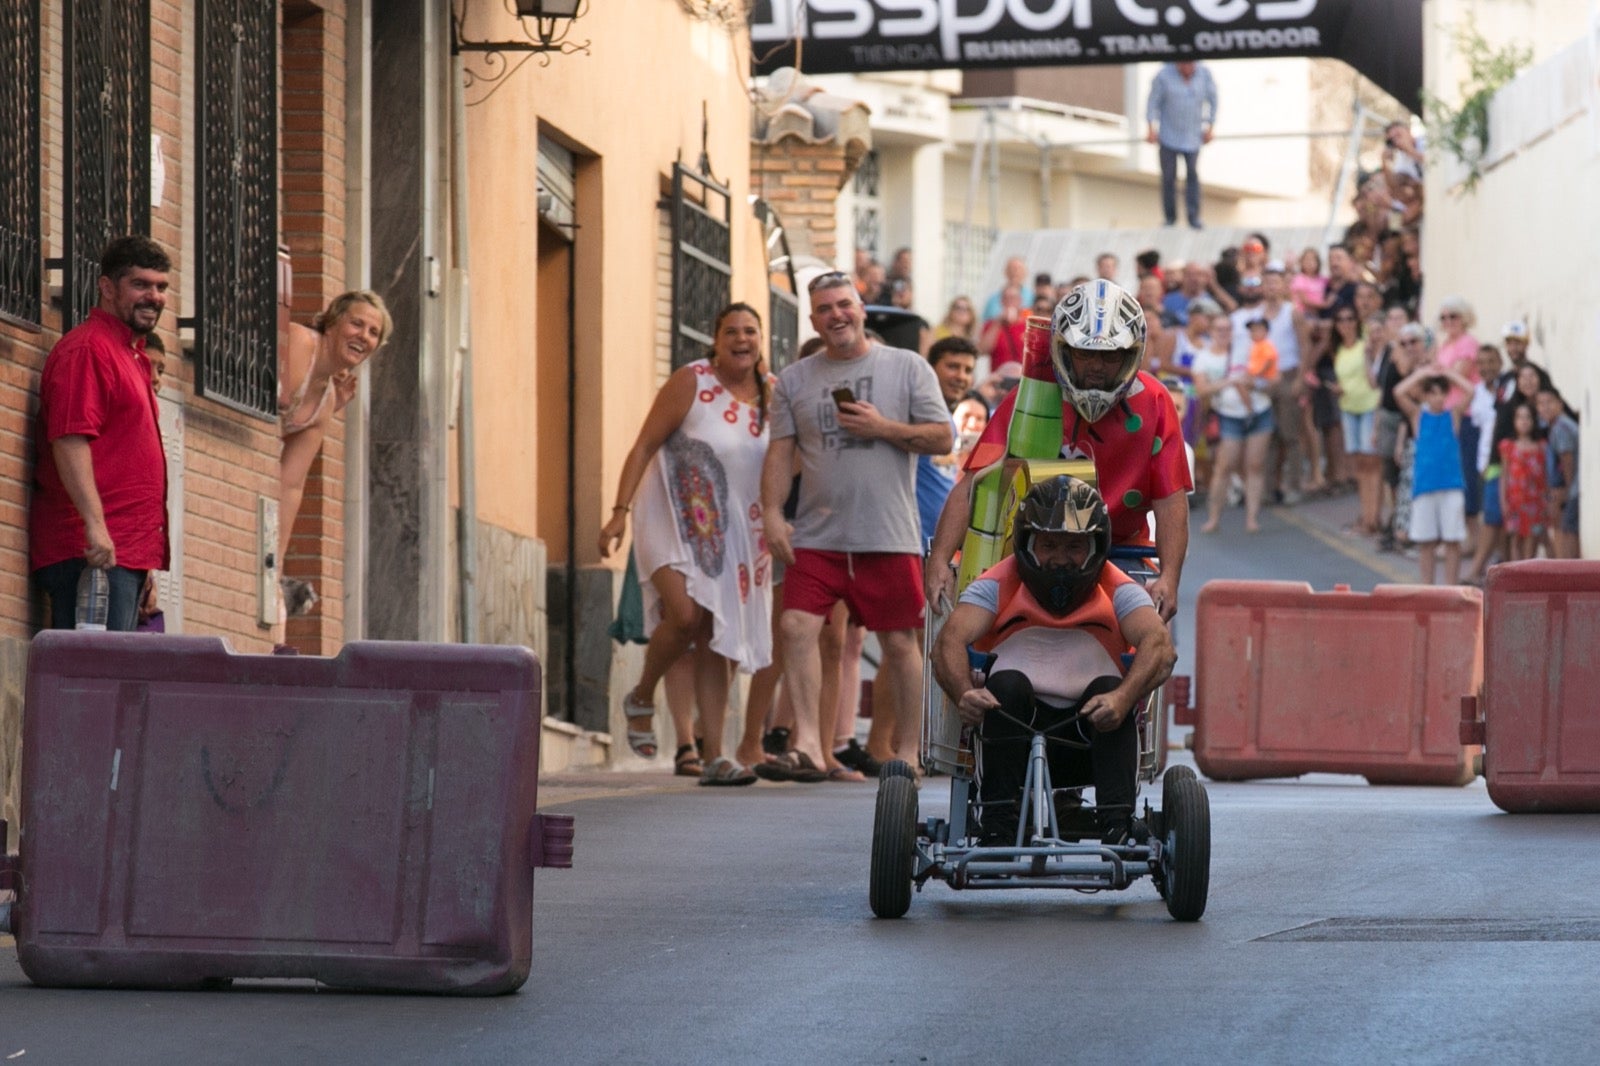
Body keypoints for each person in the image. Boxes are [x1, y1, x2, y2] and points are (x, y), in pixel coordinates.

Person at [761, 272, 952, 780]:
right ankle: (805, 741)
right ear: (813, 320)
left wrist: (883, 428)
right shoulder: (796, 379)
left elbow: (942, 438)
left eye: (844, 304)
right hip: (818, 536)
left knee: (898, 643)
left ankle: (908, 752)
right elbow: (780, 453)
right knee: (795, 626)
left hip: (887, 535)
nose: (836, 315)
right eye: (825, 309)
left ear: (862, 308)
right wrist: (774, 515)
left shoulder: (907, 368)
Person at [928, 280, 1192, 624]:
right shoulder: (1030, 396)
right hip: (1026, 556)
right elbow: (973, 483)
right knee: (959, 639)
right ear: (1064, 350)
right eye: (1085, 353)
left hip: (1118, 556)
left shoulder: (1156, 402)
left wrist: (1169, 578)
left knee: (1154, 648)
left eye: (1110, 355)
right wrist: (939, 561)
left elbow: (1171, 499)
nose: (1096, 366)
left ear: (1131, 354)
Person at [932, 476, 1175, 845]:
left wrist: (1123, 699)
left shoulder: (1118, 587)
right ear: (1028, 544)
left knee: (1112, 689)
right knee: (1006, 685)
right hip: (1013, 730)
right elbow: (949, 640)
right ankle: (999, 819)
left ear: (1095, 547)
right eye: (1048, 545)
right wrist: (964, 693)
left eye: (1074, 547)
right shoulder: (997, 583)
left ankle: (1116, 823)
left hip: (1088, 735)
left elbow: (1159, 645)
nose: (1060, 559)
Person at [598, 302, 774, 786]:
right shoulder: (690, 381)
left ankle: (715, 754)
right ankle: (641, 696)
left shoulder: (773, 394)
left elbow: (787, 461)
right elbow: (643, 445)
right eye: (731, 332)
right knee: (683, 616)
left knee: (716, 637)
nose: (742, 339)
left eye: (750, 332)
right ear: (715, 341)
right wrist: (619, 512)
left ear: (762, 339)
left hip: (739, 532)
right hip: (673, 517)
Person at [31, 235, 171, 632]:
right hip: (90, 557)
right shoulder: (89, 350)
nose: (154, 296)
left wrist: (144, 564)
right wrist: (95, 525)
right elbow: (70, 439)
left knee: (110, 686)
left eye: (161, 287)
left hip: (121, 555)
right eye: (140, 285)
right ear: (107, 287)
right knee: (92, 687)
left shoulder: (131, 354)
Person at [279, 289, 393, 612]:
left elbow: (291, 484)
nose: (364, 336)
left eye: (374, 333)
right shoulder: (301, 344)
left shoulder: (327, 400)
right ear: (331, 322)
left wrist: (275, 563)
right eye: (356, 324)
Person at [1395, 364, 1476, 584]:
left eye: (1441, 393)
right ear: (1426, 395)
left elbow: (1470, 390)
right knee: (1426, 542)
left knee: (1452, 540)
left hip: (1451, 485)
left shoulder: (1454, 415)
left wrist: (1449, 373)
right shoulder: (1418, 416)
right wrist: (1421, 374)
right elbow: (1398, 392)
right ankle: (1427, 588)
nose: (1437, 398)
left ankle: (1451, 588)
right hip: (1425, 486)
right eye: (1432, 393)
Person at [1195, 312, 1274, 533]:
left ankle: (1252, 518)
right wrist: (1229, 381)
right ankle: (1214, 518)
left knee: (1255, 465)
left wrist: (1256, 382)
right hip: (1229, 415)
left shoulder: (1248, 348)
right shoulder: (1204, 357)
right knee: (1224, 466)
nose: (1223, 334)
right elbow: (1201, 389)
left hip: (1259, 411)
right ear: (1211, 332)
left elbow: (1268, 374)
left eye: (1227, 329)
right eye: (1219, 329)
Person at [916, 337, 979, 547]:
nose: (961, 376)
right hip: (911, 543)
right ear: (931, 369)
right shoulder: (915, 413)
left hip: (937, 548)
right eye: (953, 367)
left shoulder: (947, 419)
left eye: (968, 370)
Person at [1145, 60, 1216, 229]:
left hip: (1192, 136)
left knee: (1192, 175)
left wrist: (1210, 126)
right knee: (1169, 177)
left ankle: (1193, 217)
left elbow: (1213, 101)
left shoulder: (1204, 74)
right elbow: (1152, 102)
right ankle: (1170, 218)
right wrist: (1150, 128)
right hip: (1168, 135)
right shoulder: (1163, 74)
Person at [1331, 307, 1383, 534]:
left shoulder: (1365, 345)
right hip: (1348, 407)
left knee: (1371, 462)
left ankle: (1374, 517)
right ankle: (1366, 515)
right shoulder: (1340, 349)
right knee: (1360, 464)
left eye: (1350, 318)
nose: (1345, 323)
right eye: (1341, 319)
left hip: (1369, 406)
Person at [1497, 403, 1547, 562]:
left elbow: (1544, 475)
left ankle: (1528, 572)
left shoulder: (1541, 447)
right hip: (1515, 500)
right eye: (1520, 417)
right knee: (1515, 537)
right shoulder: (1508, 447)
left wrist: (1547, 500)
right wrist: (1503, 501)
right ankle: (1516, 572)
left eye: (1528, 417)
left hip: (1534, 500)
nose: (1524, 421)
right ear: (1513, 421)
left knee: (1532, 537)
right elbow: (1504, 475)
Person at [1536, 386, 1580, 559]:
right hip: (1571, 488)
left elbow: (1567, 461)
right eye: (1541, 404)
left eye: (1550, 402)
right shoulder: (1558, 426)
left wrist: (1567, 491)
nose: (1545, 407)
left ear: (1560, 404)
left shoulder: (1560, 427)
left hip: (1571, 489)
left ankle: (1569, 574)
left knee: (1567, 530)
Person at [978, 285, 1027, 373]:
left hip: (1021, 377)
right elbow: (982, 350)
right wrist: (997, 323)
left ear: (1020, 301)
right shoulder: (991, 325)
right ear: (1001, 301)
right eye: (1006, 298)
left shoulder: (1027, 325)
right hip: (999, 378)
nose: (1009, 301)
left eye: (1013, 298)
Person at [981, 256, 1031, 322]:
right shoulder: (993, 300)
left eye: (1019, 269)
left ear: (1025, 273)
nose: (1015, 272)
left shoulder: (1032, 298)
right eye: (1012, 268)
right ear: (1005, 272)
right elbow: (985, 323)